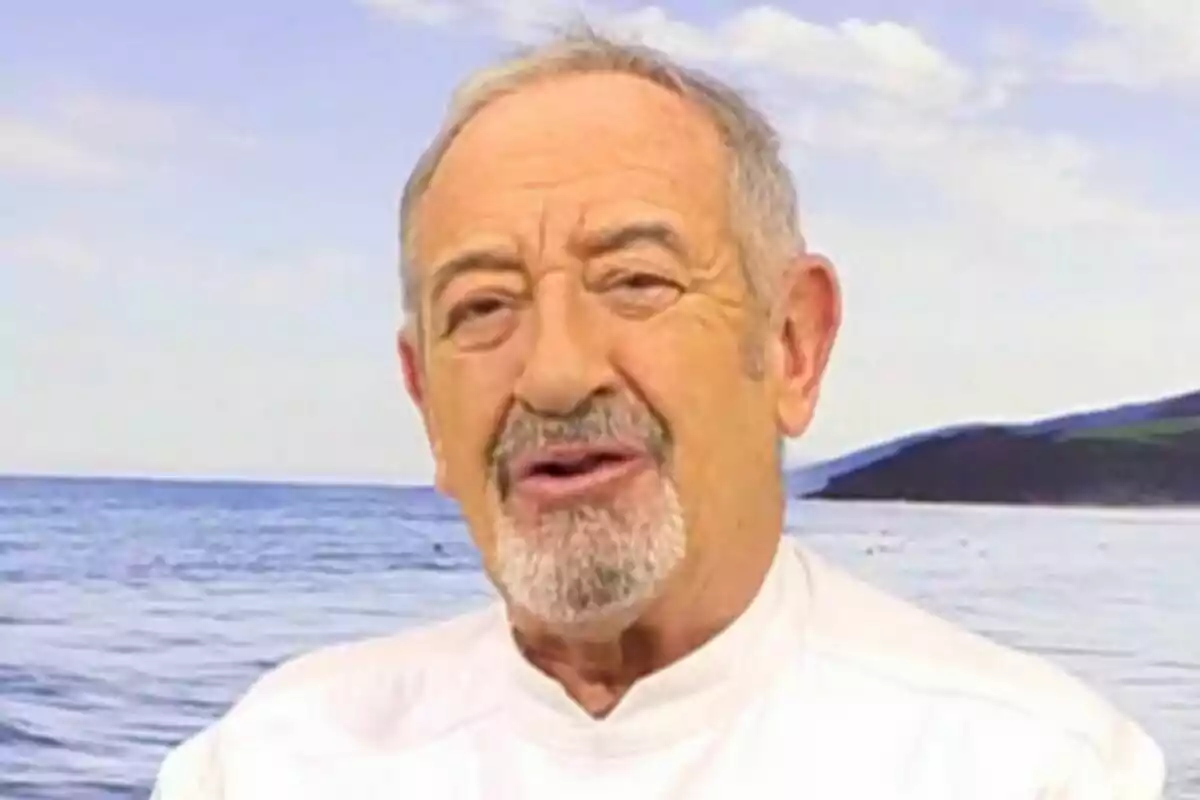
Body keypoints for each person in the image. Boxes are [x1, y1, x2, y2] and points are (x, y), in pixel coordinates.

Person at [151, 26, 1166, 799]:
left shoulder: (1029, 765)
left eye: (635, 280)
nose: (553, 373)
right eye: (484, 306)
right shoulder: (271, 760)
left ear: (792, 343)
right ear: (424, 398)